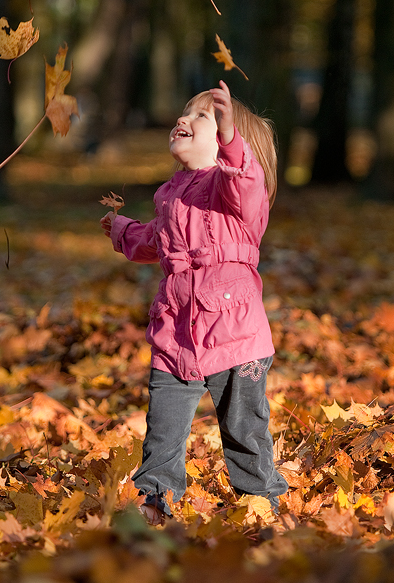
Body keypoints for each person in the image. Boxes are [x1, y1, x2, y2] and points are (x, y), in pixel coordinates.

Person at [100, 80, 288, 525]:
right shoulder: (170, 194)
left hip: (235, 335)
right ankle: (154, 501)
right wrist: (122, 230)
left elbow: (247, 177)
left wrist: (229, 138)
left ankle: (261, 504)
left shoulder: (237, 190)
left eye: (200, 116)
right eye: (184, 113)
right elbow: (156, 239)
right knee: (162, 429)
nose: (182, 120)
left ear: (226, 139)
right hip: (176, 332)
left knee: (243, 430)